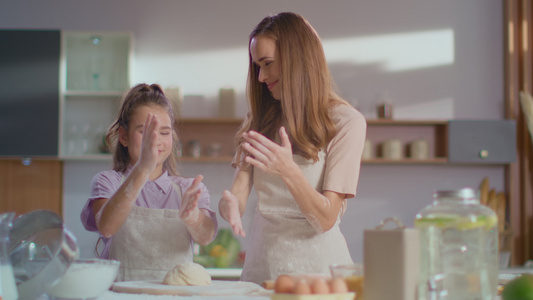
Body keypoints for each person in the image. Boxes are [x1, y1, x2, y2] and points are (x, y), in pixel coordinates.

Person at [218, 12, 367, 284]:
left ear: (297, 59)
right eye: (257, 67)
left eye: (268, 64)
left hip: (320, 277)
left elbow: (325, 219)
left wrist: (289, 171)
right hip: (260, 273)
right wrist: (229, 204)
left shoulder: (346, 123)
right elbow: (238, 193)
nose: (261, 76)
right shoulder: (259, 118)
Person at [80, 83, 217, 281]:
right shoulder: (108, 182)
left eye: (164, 132)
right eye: (144, 132)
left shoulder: (188, 189)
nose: (156, 140)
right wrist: (143, 167)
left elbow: (205, 237)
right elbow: (107, 227)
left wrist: (193, 218)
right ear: (123, 137)